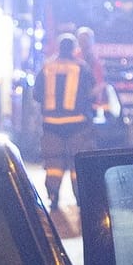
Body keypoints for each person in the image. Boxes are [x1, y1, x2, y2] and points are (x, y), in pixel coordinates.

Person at [36, 33, 87, 207]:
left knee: (53, 163)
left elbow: (37, 94)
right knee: (77, 162)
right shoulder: (81, 67)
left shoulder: (46, 67)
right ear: (74, 49)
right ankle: (81, 198)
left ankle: (53, 195)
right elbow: (91, 92)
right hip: (77, 124)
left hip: (51, 124)